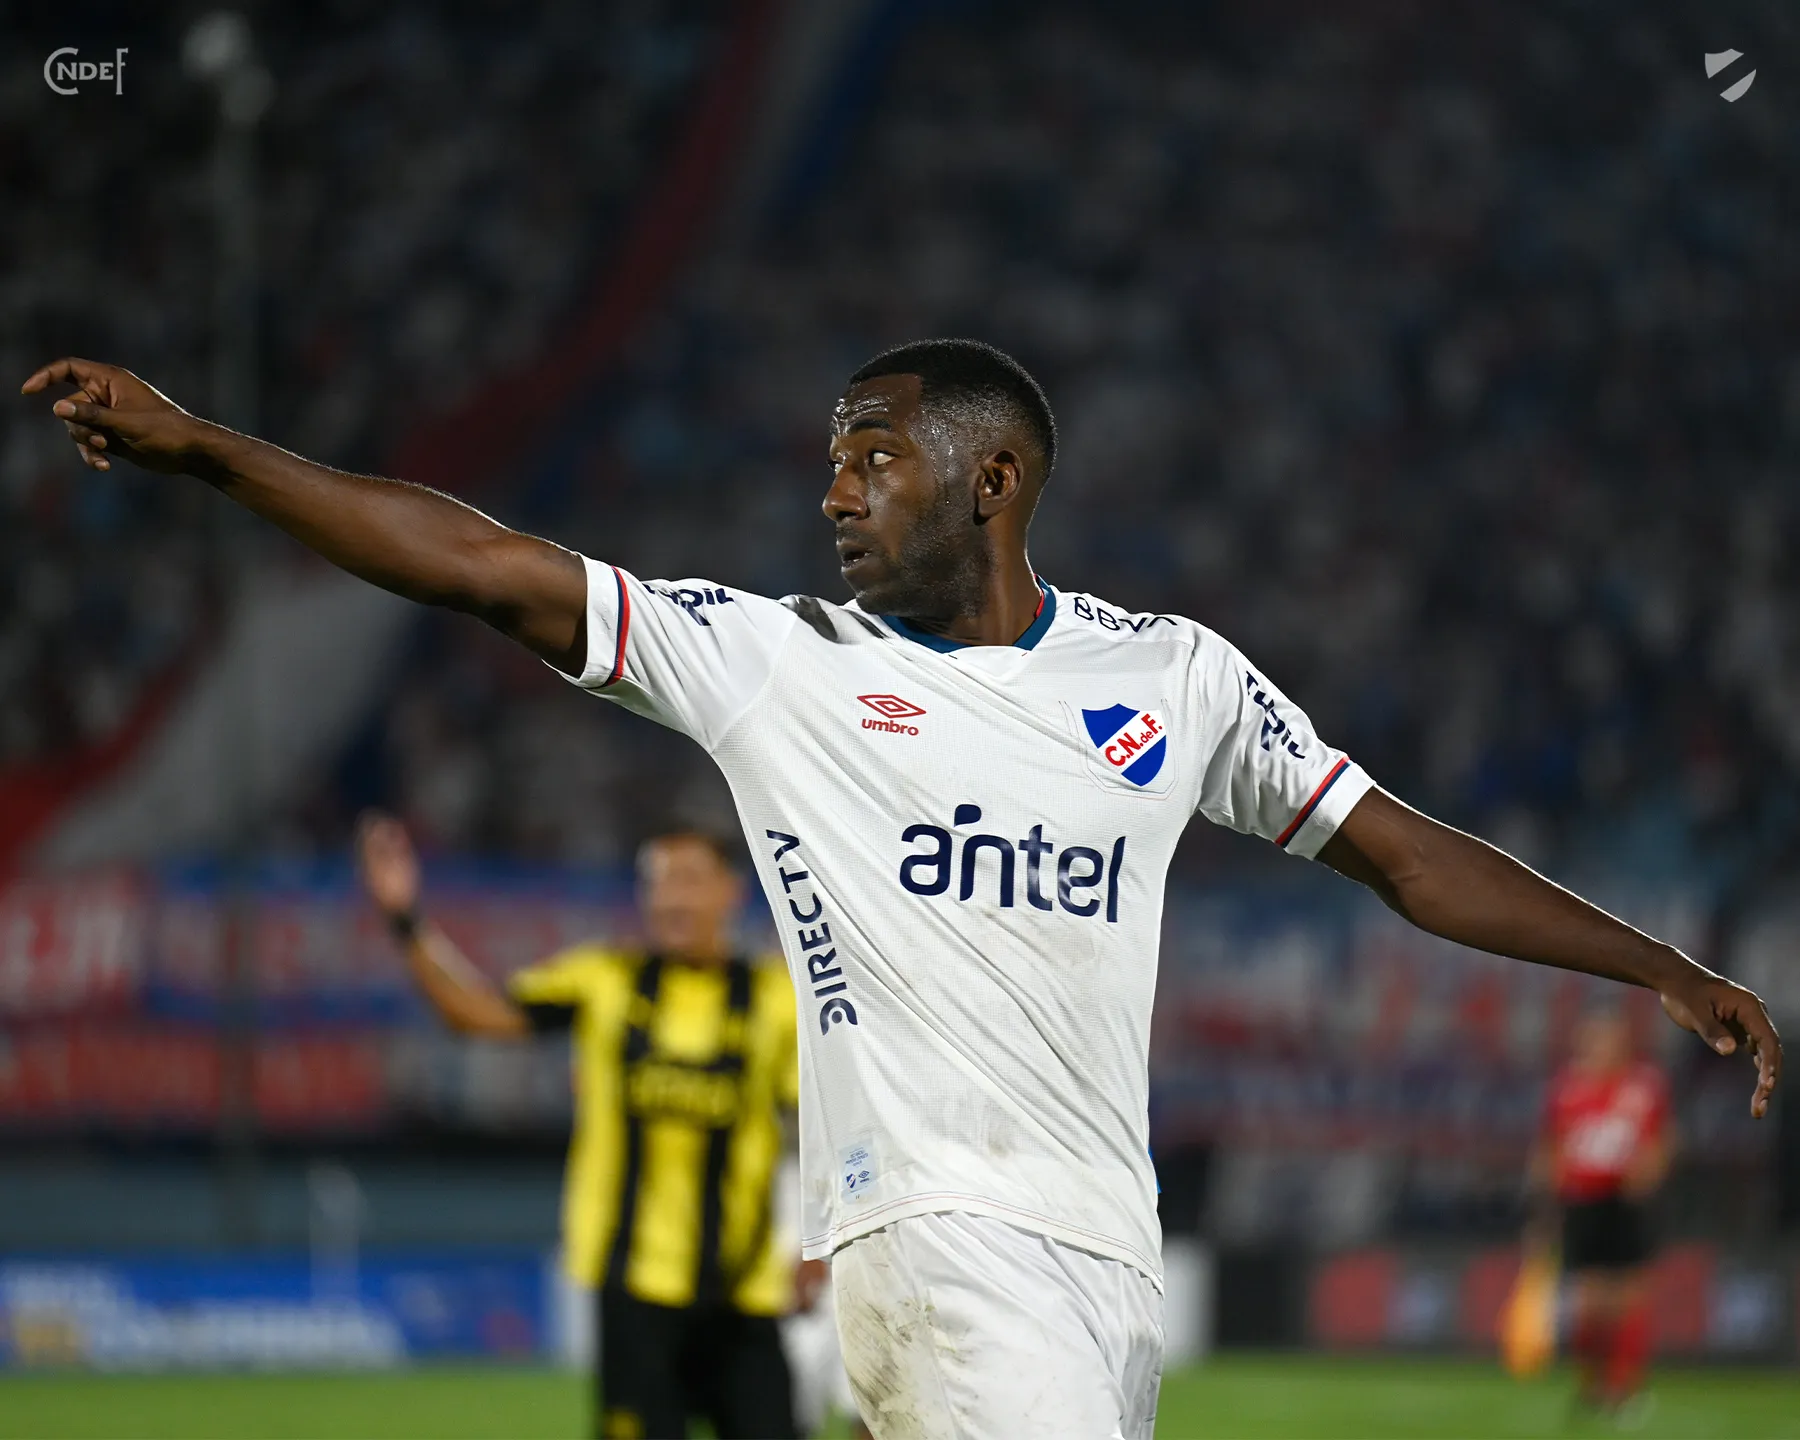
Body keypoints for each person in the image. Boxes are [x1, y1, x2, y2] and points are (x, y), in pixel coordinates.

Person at [24, 345, 1780, 1440]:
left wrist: (1653, 967)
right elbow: (493, 569)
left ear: (992, 479)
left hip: (1106, 1248)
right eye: (833, 460)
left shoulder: (1171, 678)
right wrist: (216, 453)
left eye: (874, 457)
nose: (833, 493)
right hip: (938, 1231)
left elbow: (1399, 850)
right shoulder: (775, 663)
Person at [355, 815, 807, 1439]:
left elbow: (828, 1126)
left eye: (689, 878)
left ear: (731, 891)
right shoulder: (605, 981)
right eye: (658, 880)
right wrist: (406, 920)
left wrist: (820, 1243)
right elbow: (477, 1012)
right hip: (633, 1291)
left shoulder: (775, 1000)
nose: (671, 896)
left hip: (746, 1294)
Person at [1530, 1007, 1672, 1415]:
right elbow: (1551, 1146)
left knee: (1628, 1296)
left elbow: (1661, 1140)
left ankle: (1624, 1386)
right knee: (1589, 1301)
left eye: (1608, 1038)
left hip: (1625, 1202)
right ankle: (1592, 1383)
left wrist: (1650, 1173)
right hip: (1583, 1201)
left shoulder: (1643, 1086)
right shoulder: (1566, 1089)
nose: (1601, 1046)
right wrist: (1547, 1200)